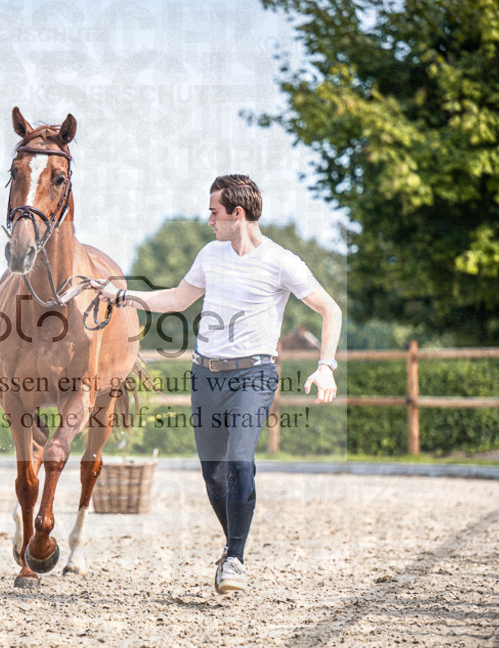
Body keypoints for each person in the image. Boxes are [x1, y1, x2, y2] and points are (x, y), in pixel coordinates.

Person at [93, 174, 342, 594]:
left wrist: (326, 364)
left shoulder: (282, 262)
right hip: (206, 374)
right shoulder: (211, 254)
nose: (209, 220)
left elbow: (329, 309)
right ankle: (232, 546)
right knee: (213, 475)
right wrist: (121, 296)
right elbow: (175, 299)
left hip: (255, 374)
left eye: (214, 212)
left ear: (237, 214)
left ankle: (235, 560)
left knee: (240, 460)